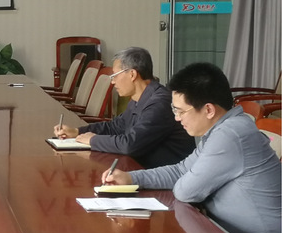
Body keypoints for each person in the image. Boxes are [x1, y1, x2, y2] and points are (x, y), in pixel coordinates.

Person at [102, 62, 281, 233]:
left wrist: (195, 184)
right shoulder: (222, 128)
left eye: (180, 111)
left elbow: (185, 191)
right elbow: (181, 170)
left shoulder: (230, 135)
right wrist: (131, 178)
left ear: (209, 110)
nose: (177, 118)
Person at [54, 47, 194, 168]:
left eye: (115, 75)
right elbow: (115, 127)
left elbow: (130, 145)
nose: (112, 82)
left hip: (165, 179)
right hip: (141, 168)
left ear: (132, 74)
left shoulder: (160, 102)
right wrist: (77, 132)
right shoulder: (138, 98)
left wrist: (92, 140)